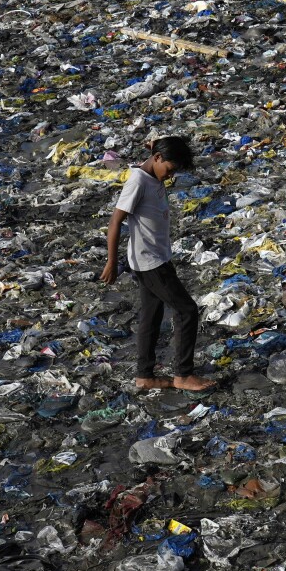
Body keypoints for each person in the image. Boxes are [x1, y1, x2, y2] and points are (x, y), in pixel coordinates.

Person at [100, 136, 215, 392]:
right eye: (169, 170)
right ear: (158, 159)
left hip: (156, 257)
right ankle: (183, 375)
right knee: (187, 311)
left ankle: (145, 376)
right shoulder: (137, 182)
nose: (169, 176)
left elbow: (155, 154)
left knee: (151, 316)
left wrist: (154, 147)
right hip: (150, 262)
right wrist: (111, 262)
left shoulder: (152, 170)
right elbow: (115, 221)